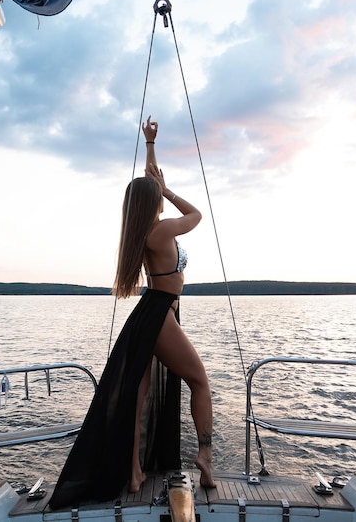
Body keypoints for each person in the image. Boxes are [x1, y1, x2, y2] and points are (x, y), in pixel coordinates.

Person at [49, 117, 214, 510]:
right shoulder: (161, 232)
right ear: (152, 200)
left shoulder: (144, 230)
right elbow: (196, 215)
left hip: (152, 312)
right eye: (154, 193)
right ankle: (205, 457)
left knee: (136, 395)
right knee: (201, 381)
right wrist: (168, 189)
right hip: (158, 313)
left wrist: (150, 144)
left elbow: (145, 180)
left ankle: (135, 470)